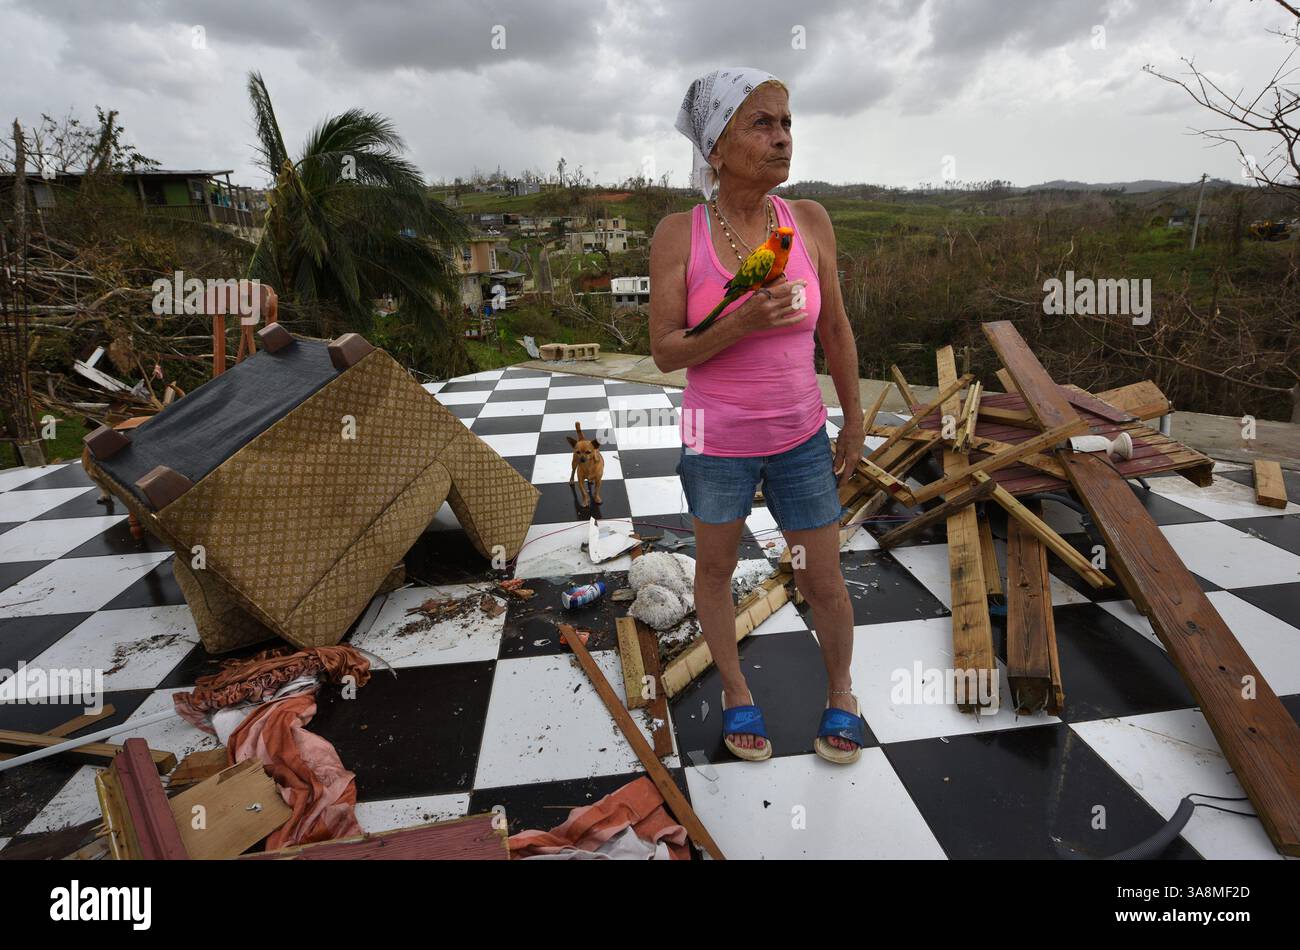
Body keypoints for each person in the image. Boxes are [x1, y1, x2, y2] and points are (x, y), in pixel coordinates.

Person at [649, 67, 868, 764]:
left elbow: (835, 331)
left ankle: (842, 694)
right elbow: (664, 351)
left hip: (801, 434)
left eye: (786, 123)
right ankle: (739, 693)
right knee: (713, 573)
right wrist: (738, 323)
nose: (781, 139)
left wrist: (854, 419)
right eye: (761, 124)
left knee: (822, 578)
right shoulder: (678, 236)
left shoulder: (808, 221)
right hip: (715, 439)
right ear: (716, 147)